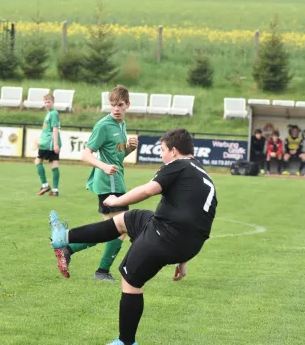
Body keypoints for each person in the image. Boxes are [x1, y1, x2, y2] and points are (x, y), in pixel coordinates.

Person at [48, 128, 217, 345]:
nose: (161, 155)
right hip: (188, 243)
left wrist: (115, 201)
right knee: (127, 219)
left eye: (163, 150)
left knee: (131, 281)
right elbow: (195, 219)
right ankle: (65, 237)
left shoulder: (176, 166)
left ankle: (126, 341)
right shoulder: (201, 173)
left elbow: (148, 190)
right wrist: (183, 260)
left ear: (174, 151)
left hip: (165, 237)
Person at [53, 85, 138, 281]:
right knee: (120, 228)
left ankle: (69, 249)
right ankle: (101, 270)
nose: (116, 108)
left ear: (127, 105)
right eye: (113, 105)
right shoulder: (103, 125)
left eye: (120, 105)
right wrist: (104, 167)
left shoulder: (121, 125)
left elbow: (116, 157)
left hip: (117, 181)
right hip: (108, 183)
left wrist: (130, 149)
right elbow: (85, 154)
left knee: (108, 231)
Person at [35, 93, 62, 196]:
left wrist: (55, 144)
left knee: (38, 161)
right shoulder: (50, 113)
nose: (46, 104)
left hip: (49, 143)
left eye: (48, 102)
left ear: (53, 102)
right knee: (54, 164)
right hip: (48, 142)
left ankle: (45, 185)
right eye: (45, 102)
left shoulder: (53, 113)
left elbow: (55, 128)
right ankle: (55, 190)